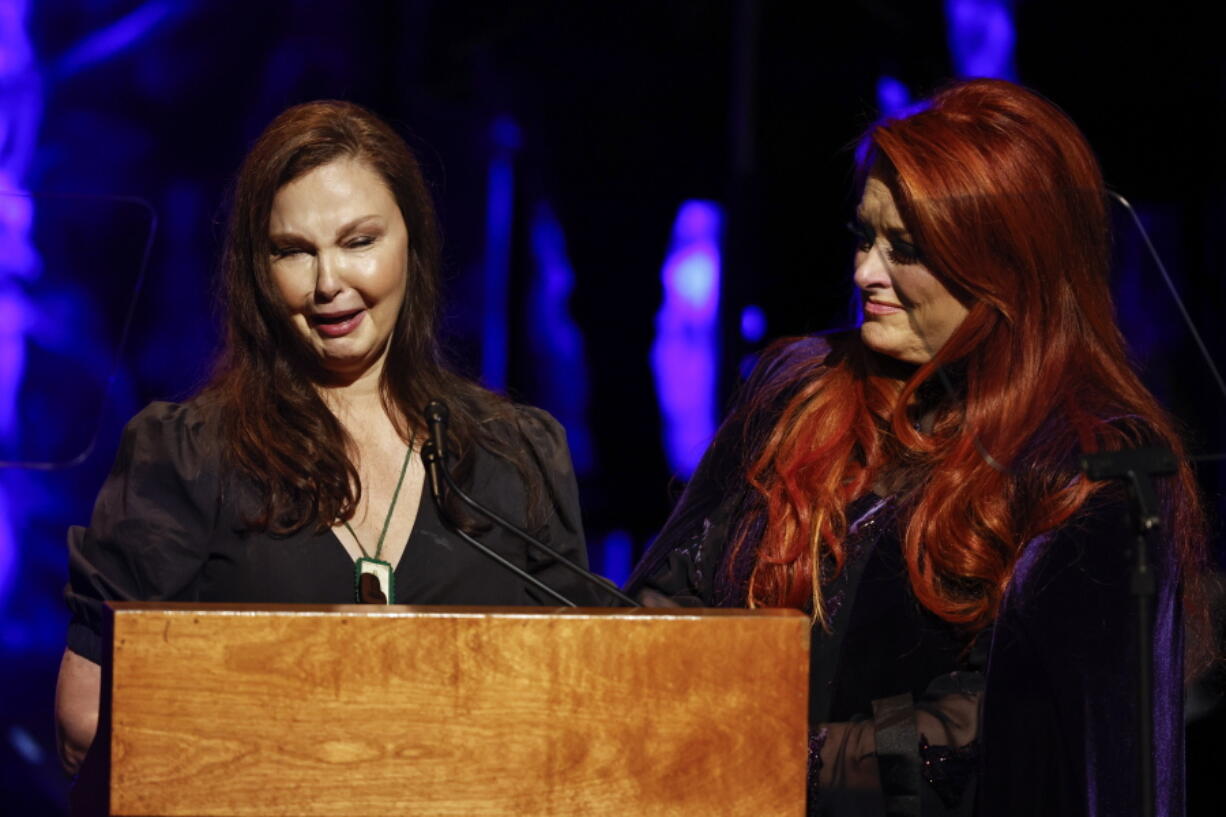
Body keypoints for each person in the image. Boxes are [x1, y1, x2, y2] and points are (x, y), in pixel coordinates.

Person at [626, 78, 1212, 816]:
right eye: (865, 237)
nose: (864, 272)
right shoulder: (801, 386)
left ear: (1002, 264)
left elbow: (992, 732)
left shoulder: (1088, 462)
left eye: (904, 248)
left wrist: (768, 752)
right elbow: (671, 595)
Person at [55, 100, 599, 777]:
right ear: (260, 271)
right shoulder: (188, 456)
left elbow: (585, 706)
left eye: (358, 241)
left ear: (414, 242)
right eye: (294, 252)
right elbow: (86, 720)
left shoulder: (514, 458)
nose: (328, 283)